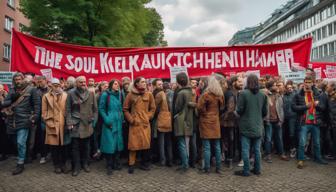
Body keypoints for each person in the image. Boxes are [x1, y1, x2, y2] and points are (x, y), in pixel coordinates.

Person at [0, 72, 40, 175]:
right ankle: (23, 156)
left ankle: (20, 163)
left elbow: (37, 104)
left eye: (19, 79)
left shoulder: (31, 89)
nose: (18, 81)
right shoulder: (12, 90)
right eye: (16, 79)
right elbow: (4, 103)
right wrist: (12, 98)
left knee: (20, 142)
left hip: (24, 119)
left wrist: (34, 117)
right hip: (12, 120)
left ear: (23, 79)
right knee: (15, 142)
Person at [235, 74, 268, 177]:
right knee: (257, 150)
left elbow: (239, 110)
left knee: (245, 150)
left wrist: (236, 113)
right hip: (258, 126)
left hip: (246, 126)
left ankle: (246, 171)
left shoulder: (243, 94)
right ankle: (257, 169)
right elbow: (264, 112)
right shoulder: (263, 95)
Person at [292, 76, 328, 169]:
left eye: (309, 82)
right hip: (304, 122)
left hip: (315, 122)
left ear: (312, 83)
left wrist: (317, 105)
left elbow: (323, 108)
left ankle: (318, 158)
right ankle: (301, 159)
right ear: (304, 83)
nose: (308, 84)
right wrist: (305, 107)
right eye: (306, 82)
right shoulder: (298, 94)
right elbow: (293, 107)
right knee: (302, 142)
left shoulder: (318, 94)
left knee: (317, 142)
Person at [123, 77, 156, 174]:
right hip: (135, 124)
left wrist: (147, 117)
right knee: (133, 145)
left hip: (145, 124)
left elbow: (153, 109)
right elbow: (125, 109)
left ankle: (144, 163)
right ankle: (131, 164)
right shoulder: (130, 95)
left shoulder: (149, 94)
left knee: (145, 145)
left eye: (145, 82)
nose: (145, 83)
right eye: (142, 82)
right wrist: (131, 120)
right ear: (137, 84)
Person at [66, 76, 97, 176]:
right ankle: (76, 167)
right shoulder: (71, 93)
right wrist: (69, 122)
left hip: (87, 124)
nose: (83, 83)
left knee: (86, 146)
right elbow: (68, 110)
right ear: (76, 83)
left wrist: (93, 121)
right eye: (81, 82)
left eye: (84, 82)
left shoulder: (91, 93)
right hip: (75, 124)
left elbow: (95, 110)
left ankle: (85, 164)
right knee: (75, 147)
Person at [197, 76, 224, 174]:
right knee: (217, 145)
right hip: (215, 121)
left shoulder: (206, 95)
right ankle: (218, 168)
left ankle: (207, 168)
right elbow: (221, 108)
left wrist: (204, 113)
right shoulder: (220, 95)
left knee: (207, 146)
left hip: (206, 122)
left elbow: (200, 108)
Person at [41, 78, 68, 174]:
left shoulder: (65, 95)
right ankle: (56, 165)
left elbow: (68, 110)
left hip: (63, 124)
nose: (57, 86)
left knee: (63, 146)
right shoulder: (46, 96)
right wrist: (48, 122)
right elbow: (43, 112)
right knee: (54, 147)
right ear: (51, 86)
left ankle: (63, 164)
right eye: (54, 85)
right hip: (51, 124)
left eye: (58, 85)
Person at [99, 79, 124, 175]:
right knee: (110, 143)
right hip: (109, 122)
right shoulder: (106, 94)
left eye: (118, 84)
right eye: (115, 84)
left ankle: (116, 163)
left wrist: (122, 117)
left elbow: (121, 107)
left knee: (118, 143)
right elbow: (101, 108)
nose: (117, 85)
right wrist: (107, 120)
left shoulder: (120, 94)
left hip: (118, 122)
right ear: (111, 85)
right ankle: (109, 165)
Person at [173, 72, 194, 172]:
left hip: (182, 120)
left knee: (182, 143)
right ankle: (186, 163)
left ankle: (185, 164)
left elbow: (177, 107)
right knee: (186, 143)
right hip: (189, 119)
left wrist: (175, 114)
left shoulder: (181, 93)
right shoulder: (191, 92)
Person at [264, 80, 289, 163]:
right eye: (274, 85)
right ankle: (268, 155)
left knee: (279, 137)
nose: (276, 87)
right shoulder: (265, 95)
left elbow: (281, 109)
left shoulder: (278, 96)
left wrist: (281, 120)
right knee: (268, 138)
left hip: (277, 120)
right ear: (270, 87)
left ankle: (281, 153)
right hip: (268, 120)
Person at [222, 75, 243, 168]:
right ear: (234, 82)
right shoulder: (230, 93)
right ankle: (229, 158)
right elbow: (230, 109)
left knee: (231, 140)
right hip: (230, 122)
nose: (241, 83)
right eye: (239, 81)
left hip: (234, 122)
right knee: (230, 140)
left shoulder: (236, 93)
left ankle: (231, 158)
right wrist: (224, 118)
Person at [152, 79, 173, 167]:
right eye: (159, 84)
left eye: (161, 84)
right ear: (154, 85)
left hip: (161, 119)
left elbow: (154, 108)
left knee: (161, 141)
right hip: (167, 118)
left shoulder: (158, 94)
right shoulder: (165, 93)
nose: (161, 86)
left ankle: (163, 161)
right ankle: (170, 160)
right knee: (168, 141)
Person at [283, 81, 299, 158]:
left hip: (293, 117)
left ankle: (293, 149)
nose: (289, 89)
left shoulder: (295, 95)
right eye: (288, 88)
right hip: (285, 118)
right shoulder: (283, 96)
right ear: (285, 89)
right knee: (286, 134)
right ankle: (289, 148)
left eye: (291, 88)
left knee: (292, 133)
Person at [326, 81, 336, 159]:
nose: (327, 87)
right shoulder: (328, 96)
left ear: (333, 87)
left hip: (334, 122)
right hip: (331, 122)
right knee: (331, 139)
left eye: (328, 86)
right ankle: (333, 154)